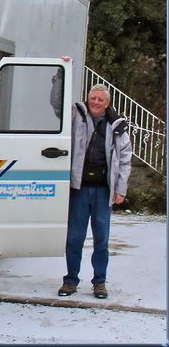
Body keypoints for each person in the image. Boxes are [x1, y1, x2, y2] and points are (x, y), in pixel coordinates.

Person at [58, 80, 132, 299]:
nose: (96, 102)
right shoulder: (76, 115)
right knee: (74, 238)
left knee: (101, 240)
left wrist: (121, 189)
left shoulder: (117, 126)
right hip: (79, 189)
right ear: (88, 99)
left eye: (100, 100)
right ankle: (70, 280)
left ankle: (99, 282)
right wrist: (57, 77)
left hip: (103, 192)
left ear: (107, 103)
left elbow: (125, 160)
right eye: (93, 98)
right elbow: (56, 105)